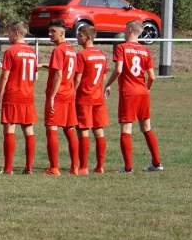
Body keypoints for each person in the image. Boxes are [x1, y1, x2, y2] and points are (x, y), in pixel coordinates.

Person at [104, 20, 163, 173]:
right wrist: (146, 89)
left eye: (125, 29)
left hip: (128, 92)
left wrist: (107, 84)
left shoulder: (121, 47)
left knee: (126, 129)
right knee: (146, 128)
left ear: (130, 30)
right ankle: (157, 163)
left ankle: (128, 167)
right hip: (142, 91)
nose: (123, 32)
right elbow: (152, 77)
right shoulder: (145, 50)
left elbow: (118, 70)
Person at [0, 21, 37, 175]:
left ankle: (8, 168)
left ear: (16, 33)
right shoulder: (32, 52)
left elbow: (4, 76)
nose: (8, 35)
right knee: (29, 131)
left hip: (13, 94)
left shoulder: (11, 51)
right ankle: (29, 168)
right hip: (28, 95)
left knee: (9, 130)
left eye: (9, 33)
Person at [41, 19, 78, 176]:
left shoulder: (58, 50)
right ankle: (74, 167)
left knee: (52, 129)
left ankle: (54, 168)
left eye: (53, 31)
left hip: (58, 94)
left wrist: (52, 97)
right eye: (49, 31)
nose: (49, 34)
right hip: (68, 93)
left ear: (62, 32)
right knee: (69, 130)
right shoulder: (71, 49)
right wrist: (45, 65)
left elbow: (58, 74)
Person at [73, 25, 109, 174]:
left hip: (84, 98)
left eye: (80, 35)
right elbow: (104, 76)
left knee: (83, 132)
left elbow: (78, 78)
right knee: (99, 132)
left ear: (88, 38)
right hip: (98, 98)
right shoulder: (101, 54)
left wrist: (72, 93)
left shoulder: (82, 55)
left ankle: (83, 167)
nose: (77, 38)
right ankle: (100, 166)